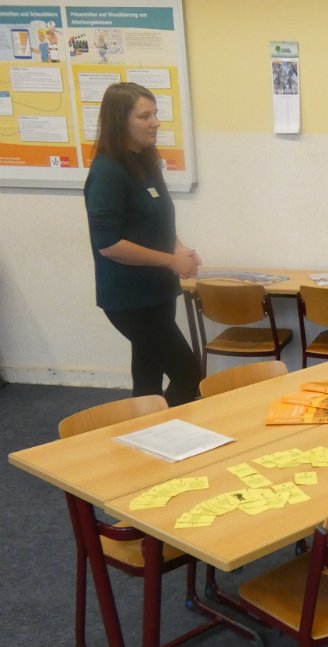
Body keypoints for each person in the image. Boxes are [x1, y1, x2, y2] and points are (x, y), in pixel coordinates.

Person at [84, 82, 201, 407]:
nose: (156, 123)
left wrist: (178, 248)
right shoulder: (108, 172)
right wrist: (170, 261)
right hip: (129, 299)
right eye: (145, 116)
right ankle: (166, 431)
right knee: (189, 374)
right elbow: (109, 244)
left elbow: (158, 219)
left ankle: (145, 431)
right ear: (120, 121)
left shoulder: (144, 160)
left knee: (148, 377)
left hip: (157, 291)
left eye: (155, 114)